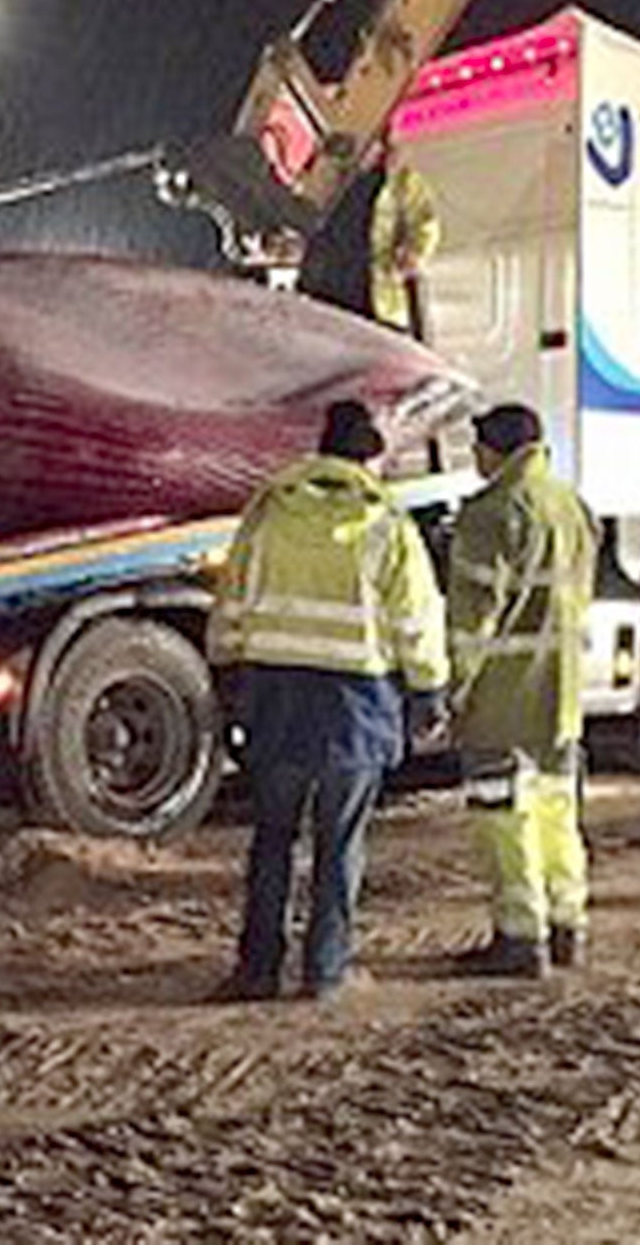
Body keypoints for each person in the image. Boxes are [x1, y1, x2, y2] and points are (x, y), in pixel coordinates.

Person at [207, 399, 448, 1002]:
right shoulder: (386, 523)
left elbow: (232, 598)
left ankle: (258, 968)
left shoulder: (267, 513)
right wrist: (428, 688)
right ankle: (326, 970)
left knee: (273, 837)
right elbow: (414, 619)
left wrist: (229, 670)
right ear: (372, 457)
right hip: (354, 703)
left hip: (277, 694)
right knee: (339, 843)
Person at [446, 403, 599, 977]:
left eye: (477, 447)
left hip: (504, 699)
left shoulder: (490, 513)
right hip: (561, 694)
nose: (474, 458)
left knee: (503, 814)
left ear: (497, 450)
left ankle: (519, 936)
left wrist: (452, 689)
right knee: (558, 809)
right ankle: (567, 925)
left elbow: (473, 620)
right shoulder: (570, 505)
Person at [369, 140, 441, 337]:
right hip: (335, 293)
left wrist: (415, 252)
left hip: (384, 304)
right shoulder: (334, 176)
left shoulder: (403, 180)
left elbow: (424, 222)